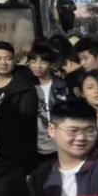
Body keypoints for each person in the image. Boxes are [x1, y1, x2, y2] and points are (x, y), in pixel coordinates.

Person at [0, 40, 39, 174]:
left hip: (17, 152)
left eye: (8, 58)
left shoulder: (25, 87)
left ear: (14, 61)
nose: (3, 63)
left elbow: (27, 122)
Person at [28, 40, 69, 168]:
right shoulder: (27, 86)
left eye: (43, 62)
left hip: (58, 143)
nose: (37, 66)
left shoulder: (61, 86)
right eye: (33, 61)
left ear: (50, 64)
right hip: (35, 145)